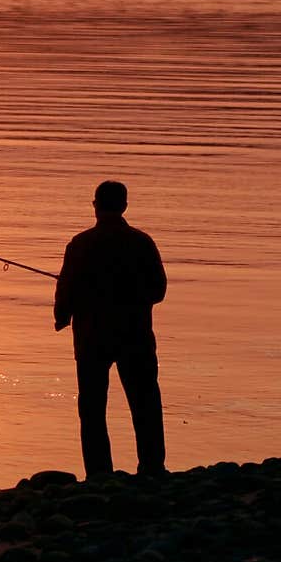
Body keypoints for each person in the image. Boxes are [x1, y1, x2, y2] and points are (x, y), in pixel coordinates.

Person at [54, 180, 167, 478]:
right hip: (135, 335)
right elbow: (159, 290)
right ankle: (152, 466)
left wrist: (62, 316)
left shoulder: (79, 244)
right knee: (144, 401)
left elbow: (65, 288)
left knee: (92, 409)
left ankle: (98, 473)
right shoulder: (142, 242)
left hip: (92, 338)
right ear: (125, 206)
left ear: (95, 206)